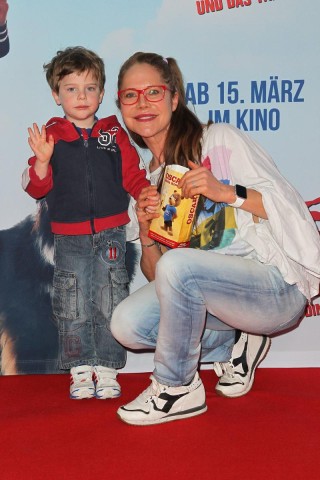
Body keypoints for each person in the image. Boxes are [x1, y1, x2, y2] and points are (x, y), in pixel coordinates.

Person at [110, 51, 320, 426]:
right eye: (130, 95)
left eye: (153, 92)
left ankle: (177, 387)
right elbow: (166, 281)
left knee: (181, 265)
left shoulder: (218, 140)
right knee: (126, 324)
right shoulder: (147, 185)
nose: (142, 103)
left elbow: (290, 208)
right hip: (223, 308)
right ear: (121, 106)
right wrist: (145, 232)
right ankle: (235, 343)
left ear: (174, 99)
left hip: (275, 288)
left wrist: (227, 192)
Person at [21, 47, 150, 400]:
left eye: (90, 88)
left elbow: (133, 176)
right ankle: (79, 369)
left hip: (112, 233)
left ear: (102, 93)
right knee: (72, 302)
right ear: (56, 95)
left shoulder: (114, 134)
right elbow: (36, 186)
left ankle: (107, 367)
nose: (81, 96)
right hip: (69, 237)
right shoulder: (52, 137)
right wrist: (43, 162)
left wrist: (147, 196)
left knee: (110, 298)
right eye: (72, 89)